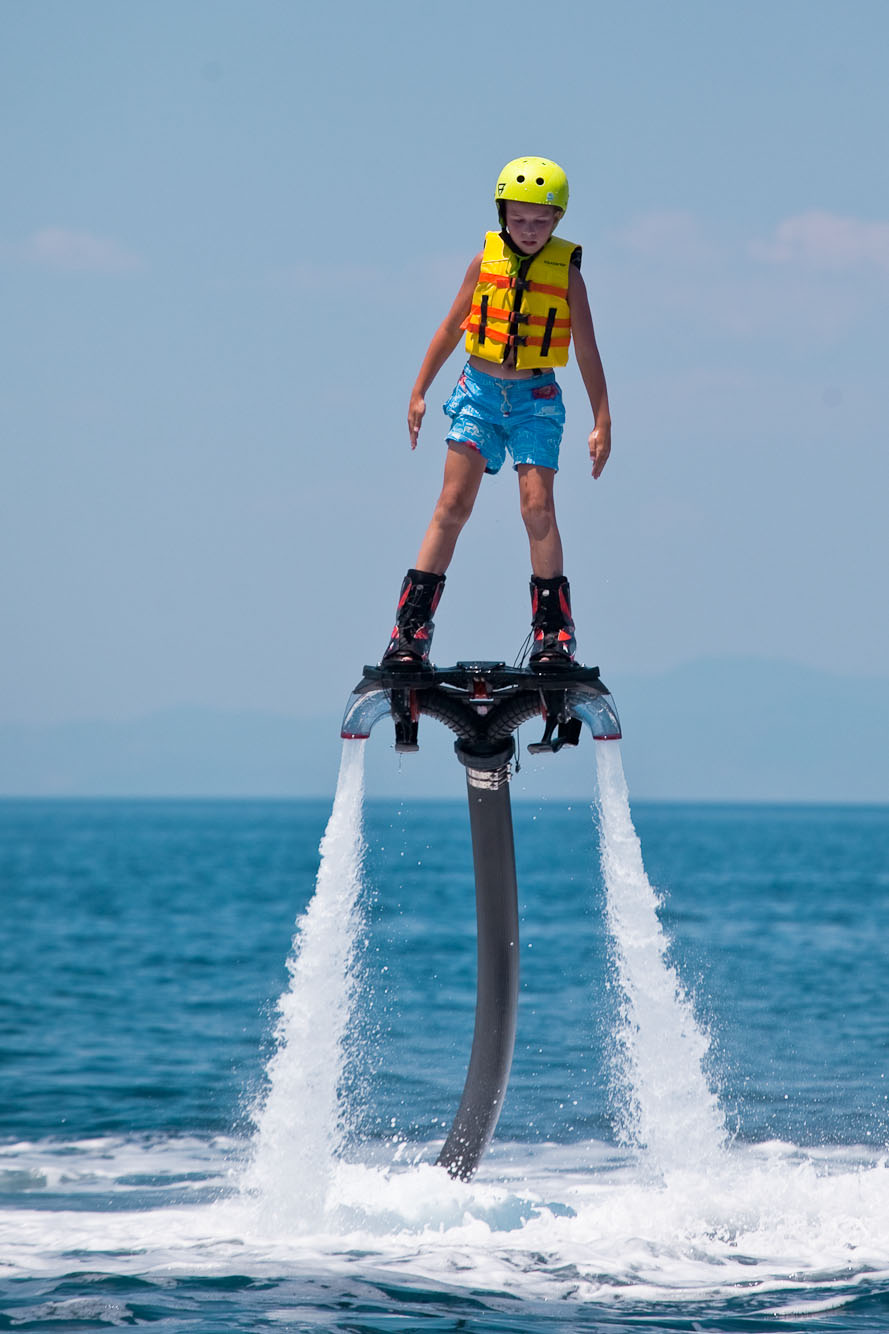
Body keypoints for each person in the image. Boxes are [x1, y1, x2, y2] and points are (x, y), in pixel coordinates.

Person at [381, 155, 611, 669]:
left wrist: (603, 418)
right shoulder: (484, 263)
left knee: (537, 509)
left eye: (541, 220)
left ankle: (553, 635)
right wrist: (419, 390)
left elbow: (588, 349)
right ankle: (410, 630)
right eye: (519, 219)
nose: (529, 230)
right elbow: (450, 327)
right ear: (503, 214)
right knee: (452, 505)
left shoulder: (568, 275)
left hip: (536, 401)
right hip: (479, 393)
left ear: (557, 220)